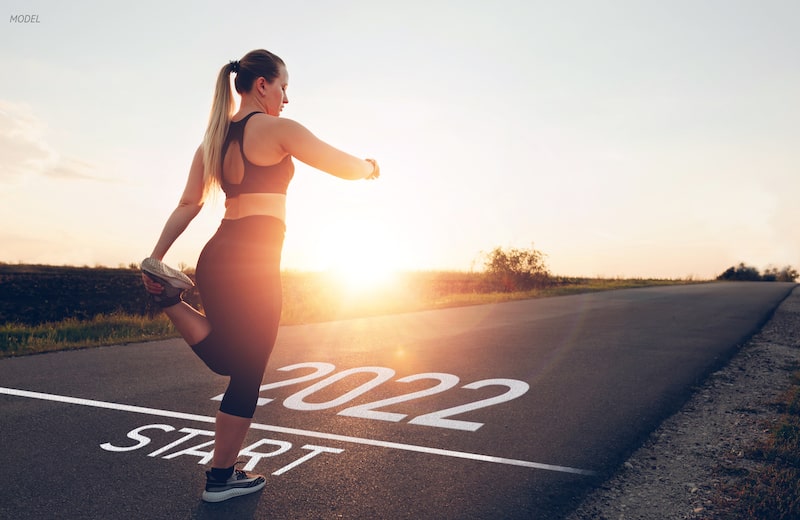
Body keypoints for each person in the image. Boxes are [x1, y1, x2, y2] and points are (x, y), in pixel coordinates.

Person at [140, 49, 379, 503]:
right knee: (246, 371)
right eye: (284, 86)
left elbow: (189, 205)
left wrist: (155, 257)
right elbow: (342, 166)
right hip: (254, 263)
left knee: (233, 362)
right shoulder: (277, 129)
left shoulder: (212, 138)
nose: (287, 98)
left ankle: (171, 300)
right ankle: (220, 477)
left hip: (217, 256)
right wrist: (370, 167)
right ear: (263, 84)